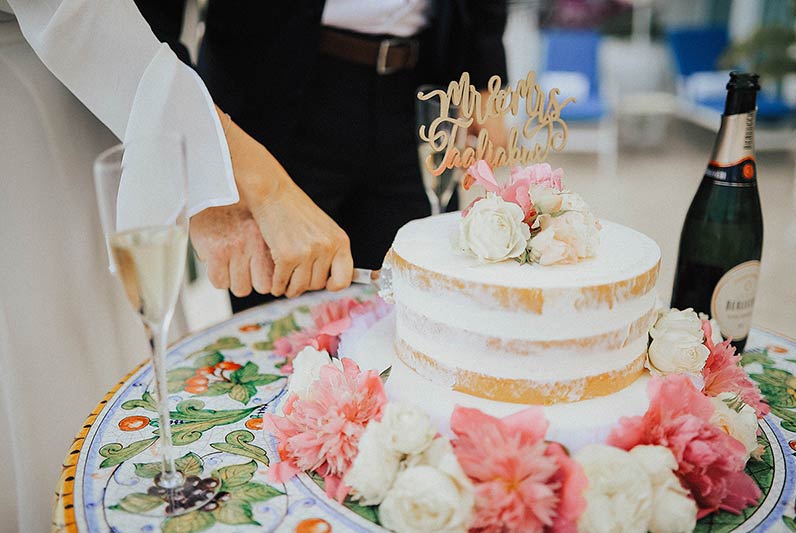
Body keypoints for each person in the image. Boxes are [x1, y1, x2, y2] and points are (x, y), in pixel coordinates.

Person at [1, 0, 351, 530]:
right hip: (38, 116)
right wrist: (262, 183)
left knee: (134, 357)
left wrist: (191, 152)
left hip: (131, 100)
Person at [135, 0, 510, 312]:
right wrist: (200, 152)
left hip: (421, 92)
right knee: (280, 328)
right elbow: (145, 20)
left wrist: (483, 66)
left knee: (414, 310)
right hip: (271, 93)